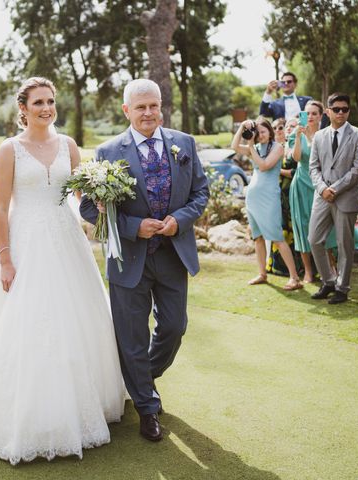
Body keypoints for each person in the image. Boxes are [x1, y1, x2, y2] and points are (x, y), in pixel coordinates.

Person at [0, 77, 125, 464]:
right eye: (38, 102)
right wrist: (5, 259)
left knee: (76, 317)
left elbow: (80, 195)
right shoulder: (9, 149)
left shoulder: (69, 146)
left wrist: (100, 197)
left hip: (66, 240)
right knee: (27, 319)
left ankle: (85, 399)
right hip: (25, 241)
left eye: (50, 101)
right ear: (23, 109)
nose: (46, 108)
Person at [80, 79, 209, 442]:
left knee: (174, 327)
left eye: (153, 106)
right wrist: (135, 226)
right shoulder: (107, 152)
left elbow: (200, 192)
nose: (148, 113)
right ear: (126, 110)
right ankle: (147, 408)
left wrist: (178, 221)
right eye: (140, 107)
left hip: (172, 255)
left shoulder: (183, 144)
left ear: (161, 106)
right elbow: (90, 207)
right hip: (128, 259)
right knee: (132, 338)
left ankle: (142, 381)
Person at [308, 93, 358, 304]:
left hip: (346, 197)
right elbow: (313, 167)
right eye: (337, 109)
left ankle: (342, 288)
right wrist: (323, 188)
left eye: (345, 109)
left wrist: (334, 188)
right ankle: (328, 281)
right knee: (314, 240)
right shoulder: (319, 136)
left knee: (345, 244)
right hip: (322, 196)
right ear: (328, 111)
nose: (341, 112)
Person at [232, 116, 303, 290]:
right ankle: (262, 274)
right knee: (258, 238)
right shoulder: (255, 147)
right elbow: (233, 147)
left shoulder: (278, 147)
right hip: (253, 198)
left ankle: (294, 278)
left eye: (263, 132)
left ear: (270, 132)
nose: (260, 135)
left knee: (277, 238)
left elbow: (264, 166)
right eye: (258, 132)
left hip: (269, 197)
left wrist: (250, 147)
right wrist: (242, 127)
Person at [290, 100, 338, 283]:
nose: (310, 117)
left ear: (321, 116)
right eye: (307, 113)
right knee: (303, 228)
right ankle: (309, 272)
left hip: (320, 186)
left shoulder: (326, 135)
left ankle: (331, 269)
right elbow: (296, 158)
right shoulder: (297, 135)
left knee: (326, 228)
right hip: (301, 185)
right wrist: (298, 135)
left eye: (314, 113)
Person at [267, 118, 303, 277]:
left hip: (292, 193)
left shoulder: (296, 147)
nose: (286, 129)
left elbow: (295, 172)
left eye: (290, 126)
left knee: (292, 230)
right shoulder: (278, 148)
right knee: (278, 228)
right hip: (277, 193)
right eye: (286, 126)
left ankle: (296, 267)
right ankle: (277, 266)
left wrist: (277, 170)